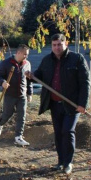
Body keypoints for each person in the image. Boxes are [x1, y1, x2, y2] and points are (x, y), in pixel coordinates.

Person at [25, 33, 90, 174]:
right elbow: (39, 76)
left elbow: (85, 83)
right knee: (59, 133)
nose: (57, 47)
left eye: (59, 44)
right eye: (54, 45)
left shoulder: (77, 59)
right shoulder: (47, 60)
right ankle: (60, 162)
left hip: (71, 104)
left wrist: (82, 104)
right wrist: (30, 76)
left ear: (65, 44)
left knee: (67, 131)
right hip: (54, 104)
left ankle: (68, 163)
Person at [0, 44, 33, 146]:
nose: (26, 56)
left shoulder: (27, 64)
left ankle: (18, 137)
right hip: (9, 94)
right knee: (7, 114)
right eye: (25, 54)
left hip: (22, 95)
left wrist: (29, 93)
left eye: (27, 55)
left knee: (22, 115)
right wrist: (2, 82)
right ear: (18, 53)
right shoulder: (6, 63)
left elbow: (29, 80)